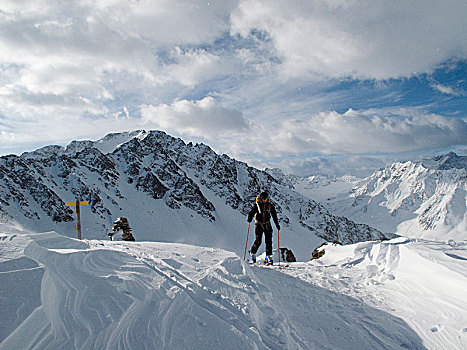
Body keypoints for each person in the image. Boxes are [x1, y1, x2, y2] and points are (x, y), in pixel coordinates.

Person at [247, 191, 280, 264]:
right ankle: (252, 253)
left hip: (267, 224)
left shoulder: (270, 205)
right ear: (261, 198)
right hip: (259, 224)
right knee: (258, 240)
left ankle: (268, 256)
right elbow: (252, 212)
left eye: (266, 198)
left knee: (269, 240)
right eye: (263, 199)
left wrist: (276, 224)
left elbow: (274, 214)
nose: (265, 200)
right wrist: (249, 218)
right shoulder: (257, 205)